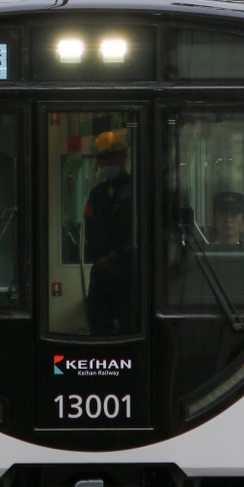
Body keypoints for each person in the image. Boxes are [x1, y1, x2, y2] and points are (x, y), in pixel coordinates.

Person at [84, 130, 134, 335]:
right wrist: (100, 259)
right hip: (101, 274)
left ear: (124, 157)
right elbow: (90, 230)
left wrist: (114, 256)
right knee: (98, 326)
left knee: (129, 327)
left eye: (111, 158)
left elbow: (135, 232)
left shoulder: (136, 190)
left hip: (127, 273)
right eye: (102, 159)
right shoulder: (96, 194)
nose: (106, 164)